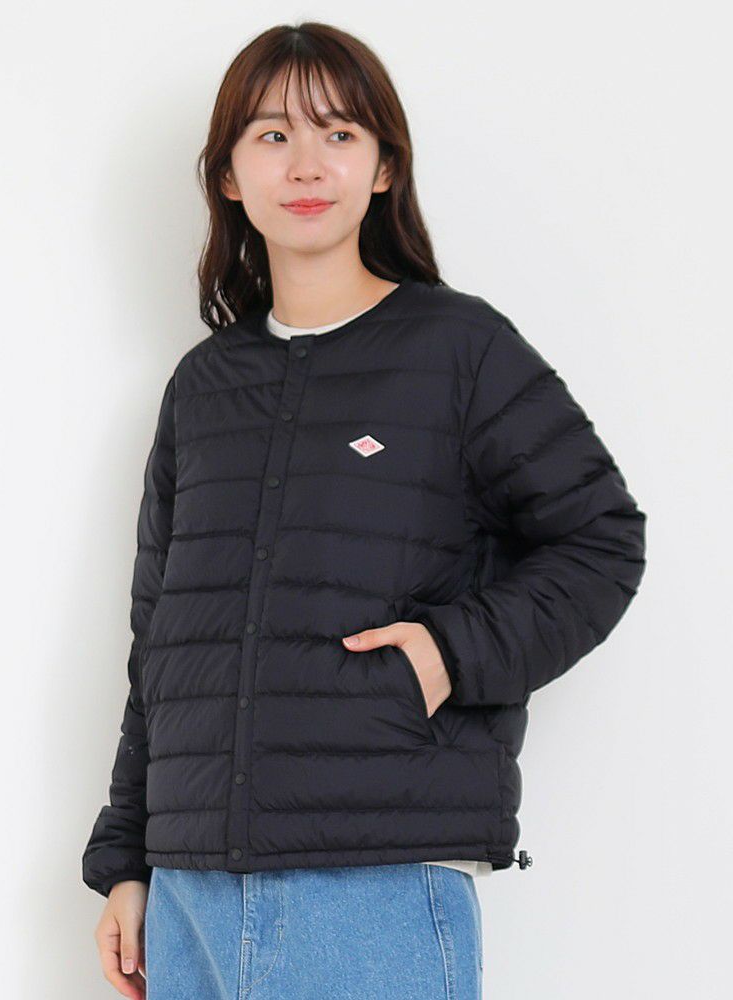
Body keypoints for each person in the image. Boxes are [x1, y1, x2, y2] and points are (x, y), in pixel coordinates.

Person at [82, 21, 647, 1000]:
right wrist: (128, 860)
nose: (306, 164)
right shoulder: (202, 388)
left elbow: (600, 539)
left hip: (377, 883)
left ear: (384, 166)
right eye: (272, 135)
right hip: (190, 894)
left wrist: (447, 653)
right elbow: (158, 641)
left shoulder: (458, 350)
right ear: (227, 176)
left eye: (338, 133)